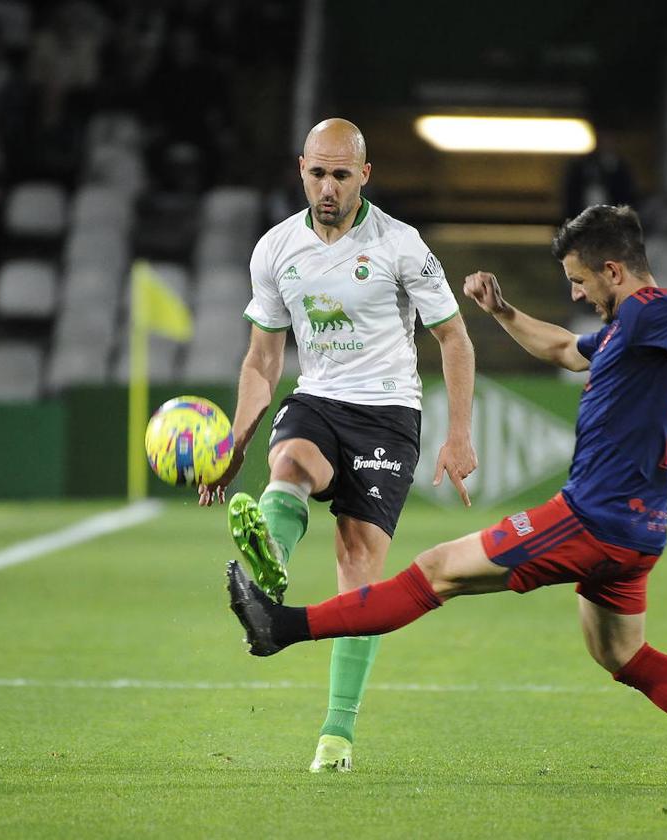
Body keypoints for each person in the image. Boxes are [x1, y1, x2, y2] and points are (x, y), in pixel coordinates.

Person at [227, 204, 667, 784]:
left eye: (579, 281)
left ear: (613, 270)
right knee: (623, 656)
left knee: (437, 571)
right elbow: (562, 350)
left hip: (589, 520)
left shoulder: (652, 312)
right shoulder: (628, 328)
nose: (576, 294)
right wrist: (502, 311)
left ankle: (281, 626)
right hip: (640, 534)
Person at [198, 118, 477, 772]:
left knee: (360, 569)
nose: (328, 187)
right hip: (319, 397)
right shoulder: (274, 249)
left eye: (341, 175)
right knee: (288, 462)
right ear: (301, 168)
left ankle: (337, 733)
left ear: (365, 176)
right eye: (318, 173)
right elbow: (262, 360)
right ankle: (269, 559)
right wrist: (236, 442)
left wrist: (459, 431)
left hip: (387, 415)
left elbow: (455, 340)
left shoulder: (402, 246)